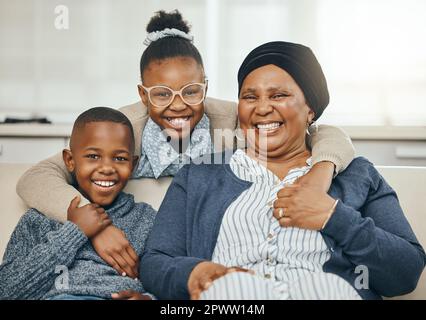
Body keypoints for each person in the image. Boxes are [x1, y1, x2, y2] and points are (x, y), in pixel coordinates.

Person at [16, 11, 355, 281]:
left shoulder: (231, 118)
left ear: (205, 87)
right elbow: (37, 176)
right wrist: (93, 226)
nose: (177, 106)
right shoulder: (124, 127)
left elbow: (321, 132)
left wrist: (322, 170)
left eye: (191, 91)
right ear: (143, 95)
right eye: (161, 94)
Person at [140, 41, 426, 300]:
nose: (262, 108)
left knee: (324, 288)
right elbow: (155, 261)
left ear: (310, 109)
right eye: (250, 97)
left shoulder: (356, 174)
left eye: (278, 95)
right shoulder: (200, 174)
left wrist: (334, 217)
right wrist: (194, 273)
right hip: (235, 300)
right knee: (237, 290)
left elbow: (405, 273)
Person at [0, 107, 155, 300]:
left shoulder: (146, 219)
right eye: (93, 156)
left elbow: (166, 279)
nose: (107, 168)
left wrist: (149, 298)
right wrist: (74, 232)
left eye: (120, 158)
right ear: (70, 161)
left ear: (133, 165)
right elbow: (6, 290)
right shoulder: (39, 219)